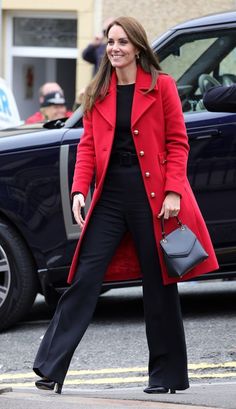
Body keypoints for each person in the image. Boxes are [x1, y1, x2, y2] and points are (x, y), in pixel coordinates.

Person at [33, 16, 218, 395]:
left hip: (151, 196)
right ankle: (50, 368)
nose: (114, 48)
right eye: (110, 42)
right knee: (84, 277)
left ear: (137, 46)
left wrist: (173, 191)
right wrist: (79, 189)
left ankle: (166, 376)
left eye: (122, 42)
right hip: (111, 196)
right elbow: (86, 146)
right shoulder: (99, 90)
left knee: (159, 283)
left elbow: (178, 144)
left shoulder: (161, 86)